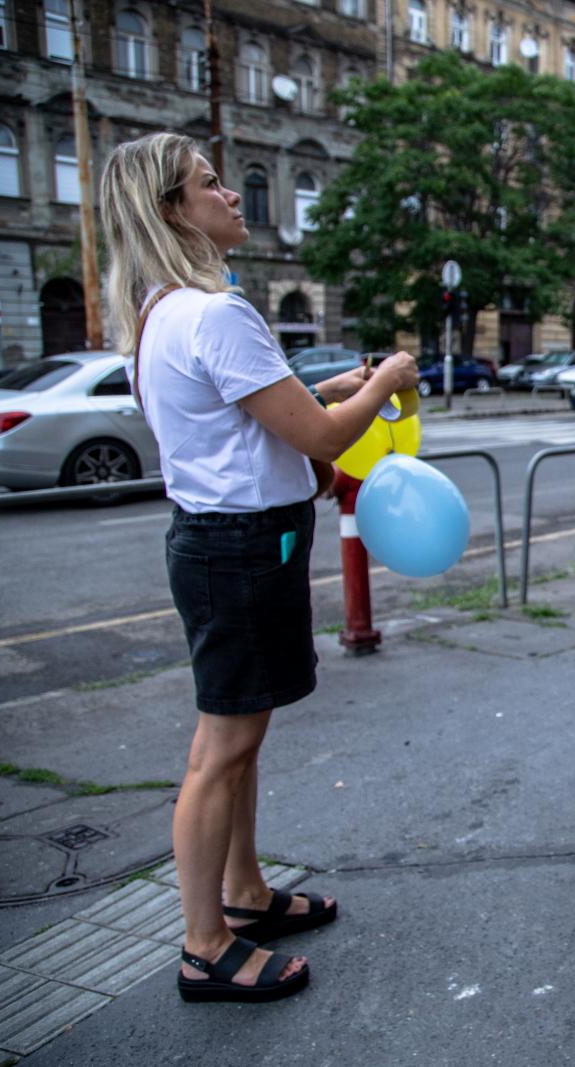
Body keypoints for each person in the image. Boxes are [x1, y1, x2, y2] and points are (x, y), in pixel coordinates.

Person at [98, 132, 419, 1002]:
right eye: (211, 185)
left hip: (225, 544)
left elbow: (247, 422)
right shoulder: (216, 313)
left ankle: (243, 894)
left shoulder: (164, 313)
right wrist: (385, 380)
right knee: (223, 746)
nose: (232, 195)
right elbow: (317, 439)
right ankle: (205, 943)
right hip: (239, 550)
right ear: (171, 210)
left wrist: (330, 390)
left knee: (240, 735)